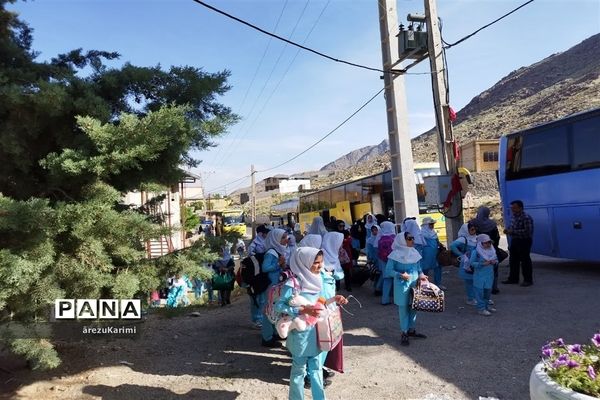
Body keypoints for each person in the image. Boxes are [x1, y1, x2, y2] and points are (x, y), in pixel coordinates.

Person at [276, 247, 348, 400]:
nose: (320, 266)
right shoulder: (293, 283)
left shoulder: (316, 279)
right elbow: (279, 306)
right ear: (304, 262)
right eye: (316, 263)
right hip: (301, 336)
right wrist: (303, 311)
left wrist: (334, 300)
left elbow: (319, 302)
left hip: (317, 333)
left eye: (321, 262)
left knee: (316, 370)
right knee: (298, 371)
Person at [384, 231, 428, 346]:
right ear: (402, 240)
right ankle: (404, 332)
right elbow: (388, 271)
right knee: (403, 309)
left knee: (414, 307)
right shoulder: (394, 255)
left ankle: (411, 330)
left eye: (412, 238)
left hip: (414, 284)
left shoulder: (415, 252)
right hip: (401, 285)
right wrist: (400, 275)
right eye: (409, 238)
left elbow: (418, 268)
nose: (412, 240)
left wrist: (422, 275)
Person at [260, 228, 289, 347]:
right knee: (268, 311)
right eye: (283, 237)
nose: (286, 240)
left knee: (275, 310)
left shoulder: (279, 250)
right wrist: (278, 263)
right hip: (271, 286)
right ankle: (267, 338)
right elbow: (265, 268)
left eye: (286, 237)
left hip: (276, 286)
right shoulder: (271, 253)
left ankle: (274, 333)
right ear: (275, 239)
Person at [470, 206, 501, 294]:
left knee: (479, 269)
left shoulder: (473, 223)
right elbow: (497, 237)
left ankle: (480, 287)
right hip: (491, 249)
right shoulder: (492, 224)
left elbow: (470, 235)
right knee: (493, 269)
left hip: (478, 251)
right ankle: (494, 288)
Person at [503, 200, 534, 287]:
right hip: (515, 240)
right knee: (513, 260)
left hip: (524, 241)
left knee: (525, 261)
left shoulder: (526, 217)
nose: (512, 209)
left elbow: (528, 231)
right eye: (512, 208)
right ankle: (513, 278)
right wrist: (508, 230)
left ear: (520, 208)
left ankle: (528, 280)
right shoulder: (514, 217)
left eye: (514, 208)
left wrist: (512, 231)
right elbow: (512, 226)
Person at [470, 234, 498, 316]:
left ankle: (486, 306)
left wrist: (495, 262)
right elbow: (472, 263)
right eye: (485, 243)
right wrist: (482, 264)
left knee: (487, 292)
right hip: (479, 276)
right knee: (479, 293)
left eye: (489, 242)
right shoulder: (476, 252)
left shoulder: (492, 251)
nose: (488, 244)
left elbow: (496, 260)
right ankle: (481, 309)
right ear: (480, 243)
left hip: (489, 276)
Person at [451, 223, 478, 306]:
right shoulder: (463, 239)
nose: (474, 231)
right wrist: (461, 255)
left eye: (475, 229)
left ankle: (478, 298)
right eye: (472, 229)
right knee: (469, 281)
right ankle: (471, 299)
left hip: (476, 262)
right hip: (467, 262)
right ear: (467, 230)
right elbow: (452, 246)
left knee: (477, 280)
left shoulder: (477, 237)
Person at [420, 216, 443, 289]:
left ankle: (438, 284)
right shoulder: (421, 234)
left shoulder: (433, 232)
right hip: (426, 254)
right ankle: (424, 285)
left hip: (435, 253)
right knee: (425, 269)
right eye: (430, 224)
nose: (432, 225)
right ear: (426, 225)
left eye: (433, 224)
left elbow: (437, 241)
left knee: (438, 267)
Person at [376, 221, 396, 303]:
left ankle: (385, 299)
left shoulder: (380, 238)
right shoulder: (394, 238)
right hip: (393, 261)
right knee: (395, 280)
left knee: (386, 280)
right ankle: (396, 298)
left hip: (383, 262)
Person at [336, 220, 354, 292]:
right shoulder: (335, 233)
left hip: (346, 254)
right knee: (337, 270)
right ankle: (337, 286)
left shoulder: (347, 233)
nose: (342, 227)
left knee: (347, 271)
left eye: (343, 226)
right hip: (337, 254)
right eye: (340, 226)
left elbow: (349, 241)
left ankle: (348, 286)